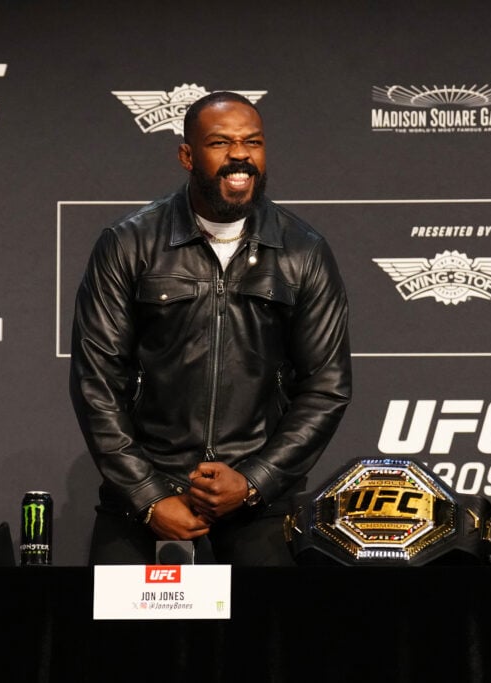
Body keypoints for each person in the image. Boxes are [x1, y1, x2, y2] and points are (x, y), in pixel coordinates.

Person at [69, 91, 352, 566]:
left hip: (259, 506)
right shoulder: (129, 243)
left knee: (266, 642)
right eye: (221, 142)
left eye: (253, 142)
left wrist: (255, 480)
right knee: (127, 643)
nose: (240, 154)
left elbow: (326, 387)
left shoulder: (304, 251)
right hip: (145, 500)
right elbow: (97, 382)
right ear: (187, 155)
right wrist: (148, 495)